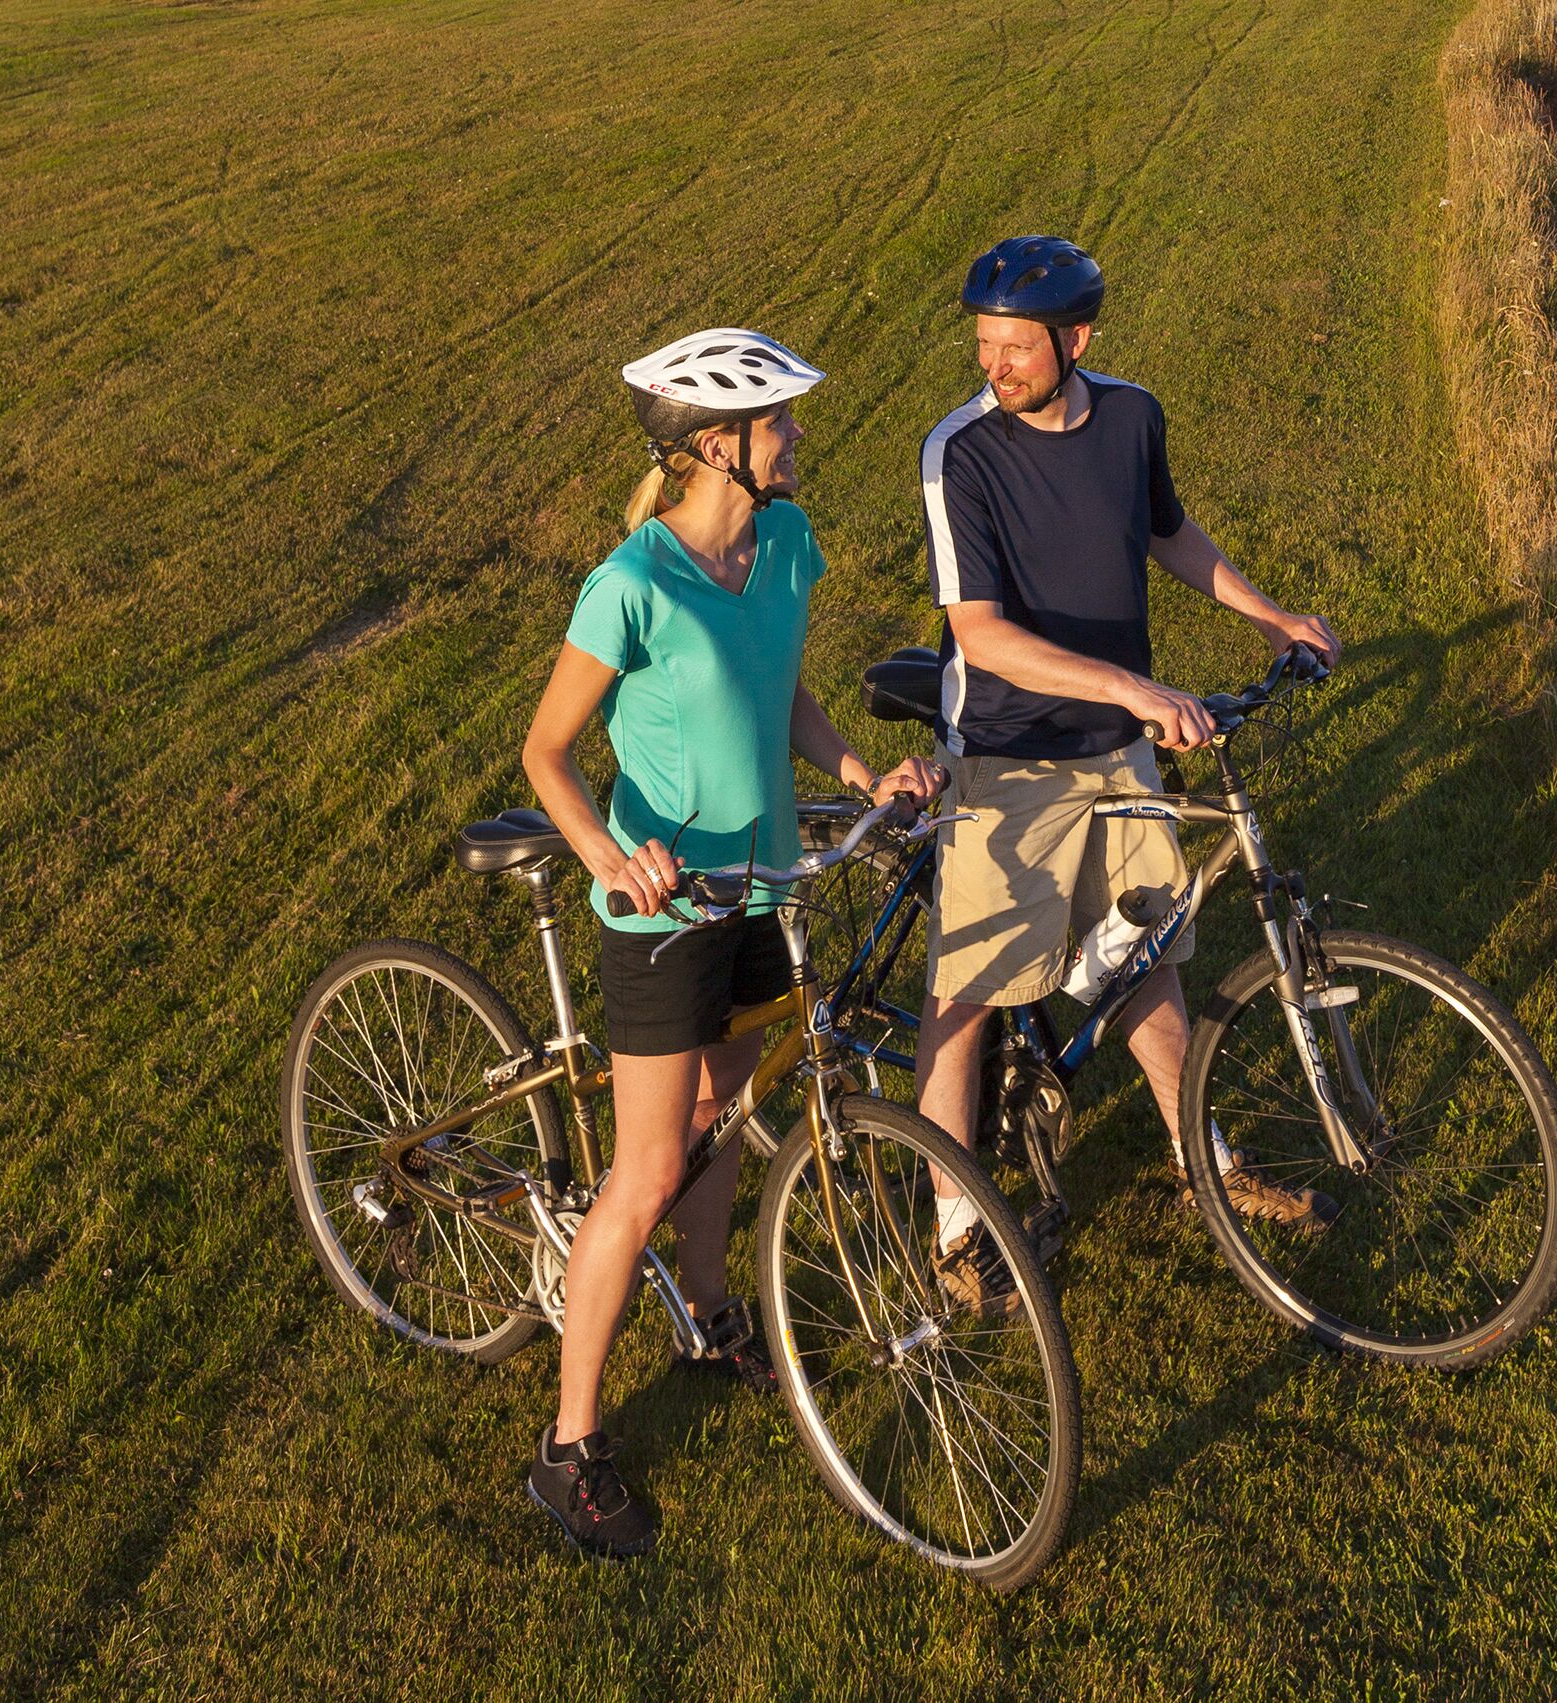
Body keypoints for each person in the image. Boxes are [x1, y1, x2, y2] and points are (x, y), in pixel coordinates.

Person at [518, 328, 942, 1559]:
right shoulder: (632, 584)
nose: (801, 436)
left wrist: (861, 765)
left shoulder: (789, 544)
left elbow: (782, 693)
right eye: (782, 423)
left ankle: (703, 1318)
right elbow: (545, 752)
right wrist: (612, 856)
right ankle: (568, 1445)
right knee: (647, 1170)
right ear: (720, 447)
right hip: (665, 915)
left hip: (763, 890)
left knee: (721, 1117)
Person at [912, 236, 1342, 1309]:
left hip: (1118, 749)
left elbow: (1167, 531)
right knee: (967, 994)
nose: (996, 365)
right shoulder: (959, 453)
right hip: (1012, 762)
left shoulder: (1133, 415)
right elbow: (982, 634)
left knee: (1148, 959)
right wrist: (1135, 690)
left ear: (1077, 339)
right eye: (984, 344)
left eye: (1017, 346)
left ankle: (1213, 1166)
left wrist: (1269, 612)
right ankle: (956, 1229)